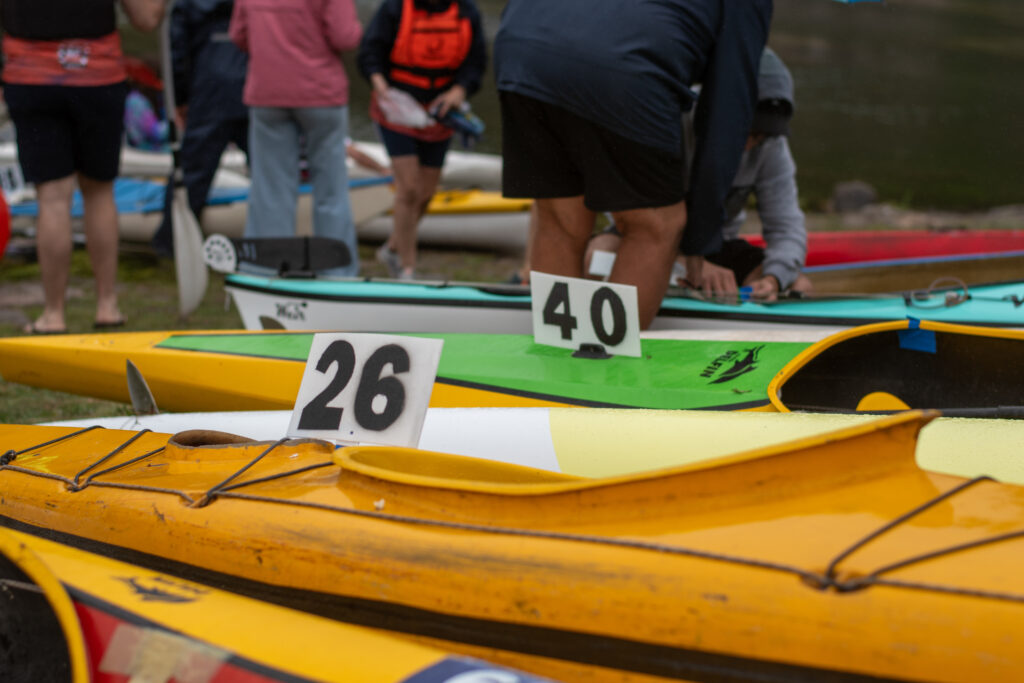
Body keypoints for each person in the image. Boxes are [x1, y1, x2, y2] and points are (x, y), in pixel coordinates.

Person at [494, 0, 772, 329]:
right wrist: (701, 238)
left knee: (561, 219)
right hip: (620, 64)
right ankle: (604, 362)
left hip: (521, 43)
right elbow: (728, 109)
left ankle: (559, 354)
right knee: (656, 225)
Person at [586, 48, 811, 301]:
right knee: (598, 254)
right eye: (746, 131)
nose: (749, 145)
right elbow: (626, 212)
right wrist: (687, 261)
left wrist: (774, 279)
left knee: (797, 284)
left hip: (718, 245)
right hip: (646, 235)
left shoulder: (773, 146)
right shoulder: (672, 122)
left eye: (759, 137)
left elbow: (786, 226)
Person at [1, 0, 167, 334]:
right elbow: (148, 18)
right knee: (100, 191)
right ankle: (108, 305)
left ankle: (53, 314)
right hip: (96, 74)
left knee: (52, 197)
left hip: (32, 75)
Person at [229, 0, 362, 276]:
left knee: (270, 189)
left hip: (268, 91)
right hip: (320, 93)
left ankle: (263, 272)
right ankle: (336, 273)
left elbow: (238, 35)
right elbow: (344, 36)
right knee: (331, 188)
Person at [357, 0, 487, 280]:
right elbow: (370, 52)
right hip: (397, 110)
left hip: (439, 112)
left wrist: (460, 91)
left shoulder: (466, 11)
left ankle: (392, 247)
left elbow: (476, 63)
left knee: (427, 193)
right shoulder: (396, 7)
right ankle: (407, 268)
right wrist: (381, 86)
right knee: (409, 189)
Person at [150, 0, 249, 258]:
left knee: (192, 173)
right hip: (254, 87)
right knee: (269, 175)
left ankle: (169, 243)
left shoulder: (187, 5)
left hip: (208, 89)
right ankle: (270, 240)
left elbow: (177, 49)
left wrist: (180, 97)